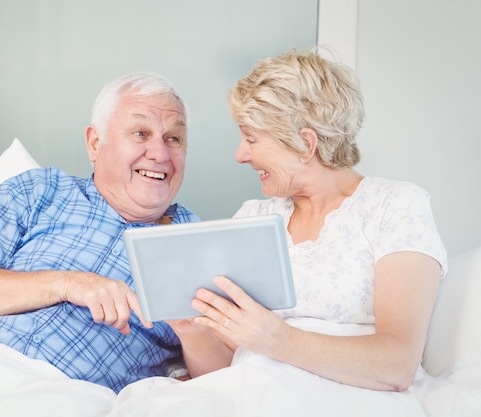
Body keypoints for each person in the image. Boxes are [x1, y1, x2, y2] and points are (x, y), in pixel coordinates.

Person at [165, 48, 447, 396]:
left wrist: (281, 341)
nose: (240, 155)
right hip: (247, 394)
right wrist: (192, 332)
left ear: (305, 143)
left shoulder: (395, 206)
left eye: (251, 139)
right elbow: (222, 370)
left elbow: (397, 364)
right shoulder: (253, 217)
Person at [0, 71, 202, 393]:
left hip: (67, 393)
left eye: (174, 139)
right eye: (140, 133)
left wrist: (195, 333)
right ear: (95, 143)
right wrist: (68, 283)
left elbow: (222, 372)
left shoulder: (197, 241)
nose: (161, 154)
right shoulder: (38, 190)